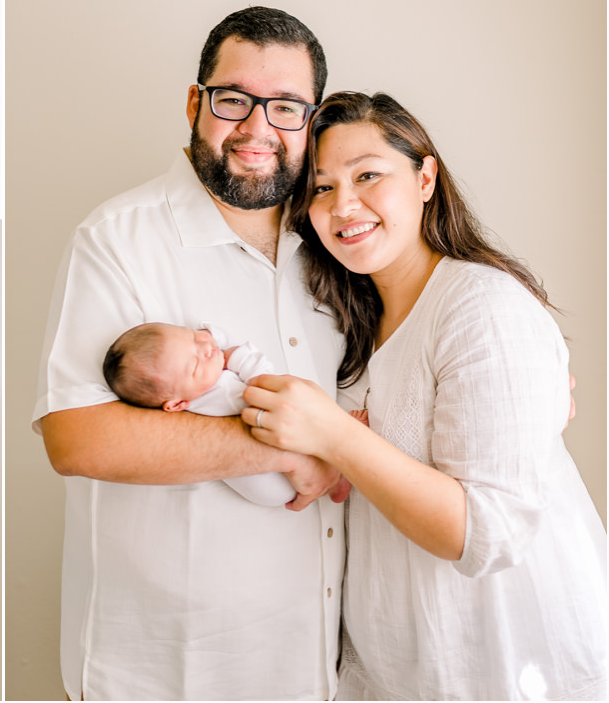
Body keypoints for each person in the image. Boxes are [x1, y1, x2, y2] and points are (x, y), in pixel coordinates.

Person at [243, 91, 607, 700]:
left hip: (505, 666)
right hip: (397, 669)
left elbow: (490, 534)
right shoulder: (348, 325)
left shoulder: (480, 307)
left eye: (367, 176)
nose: (344, 205)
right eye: (323, 187)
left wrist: (333, 433)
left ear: (425, 176)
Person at [33, 6, 349, 700]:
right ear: (194, 102)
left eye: (286, 107)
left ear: (311, 120)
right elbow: (77, 439)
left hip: (313, 663)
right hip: (164, 669)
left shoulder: (342, 243)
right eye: (233, 100)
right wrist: (290, 448)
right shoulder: (116, 238)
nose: (257, 128)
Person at [103, 321, 296, 506]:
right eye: (195, 365)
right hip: (279, 483)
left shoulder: (191, 391)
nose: (205, 348)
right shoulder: (225, 394)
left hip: (269, 489)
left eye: (193, 337)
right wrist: (237, 356)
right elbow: (266, 385)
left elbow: (214, 342)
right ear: (177, 404)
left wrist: (206, 337)